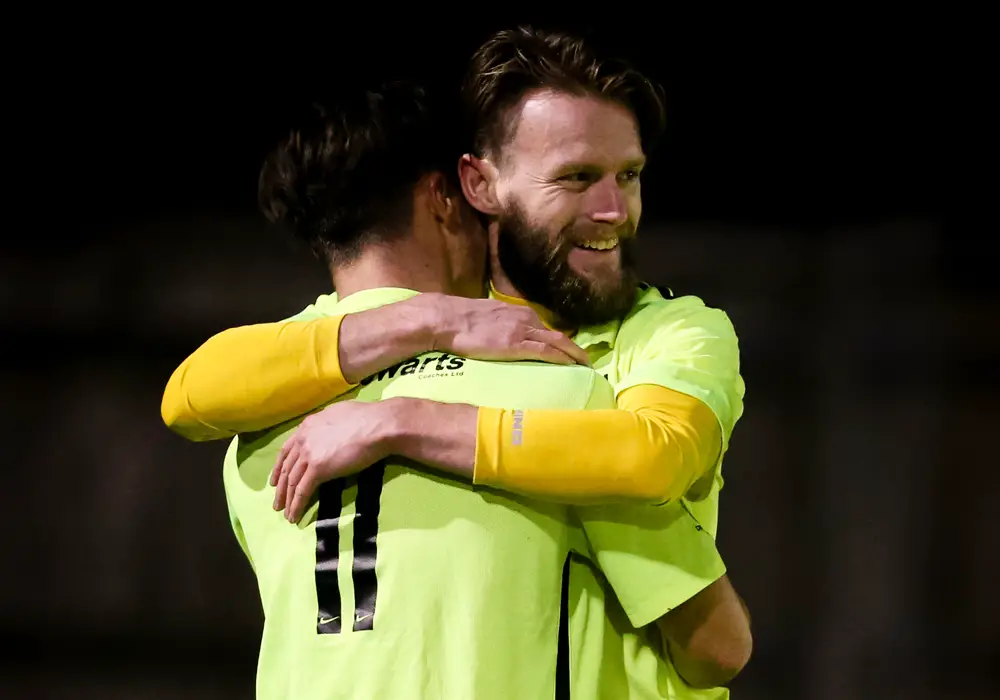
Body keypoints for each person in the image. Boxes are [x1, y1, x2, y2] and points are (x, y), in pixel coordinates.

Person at [163, 28, 751, 698]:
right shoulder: (554, 391)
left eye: (631, 175)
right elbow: (718, 646)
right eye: (576, 178)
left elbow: (654, 454)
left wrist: (400, 420)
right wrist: (438, 320)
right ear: (471, 186)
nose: (614, 209)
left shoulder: (272, 416)